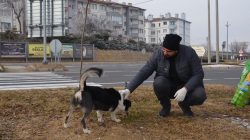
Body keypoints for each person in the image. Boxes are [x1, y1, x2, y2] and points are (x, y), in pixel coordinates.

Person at [119, 34, 207, 117]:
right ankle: (166, 107)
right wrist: (129, 89)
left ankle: (184, 104)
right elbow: (145, 71)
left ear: (176, 50)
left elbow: (198, 74)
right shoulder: (158, 54)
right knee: (159, 82)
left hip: (185, 85)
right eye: (164, 49)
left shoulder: (189, 53)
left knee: (200, 95)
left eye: (168, 51)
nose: (165, 52)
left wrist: (185, 89)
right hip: (168, 85)